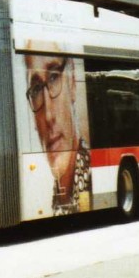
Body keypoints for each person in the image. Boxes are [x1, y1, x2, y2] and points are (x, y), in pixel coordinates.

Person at [25, 53, 91, 215]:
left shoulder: (90, 178)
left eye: (54, 77)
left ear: (72, 83)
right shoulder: (55, 201)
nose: (48, 116)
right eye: (36, 90)